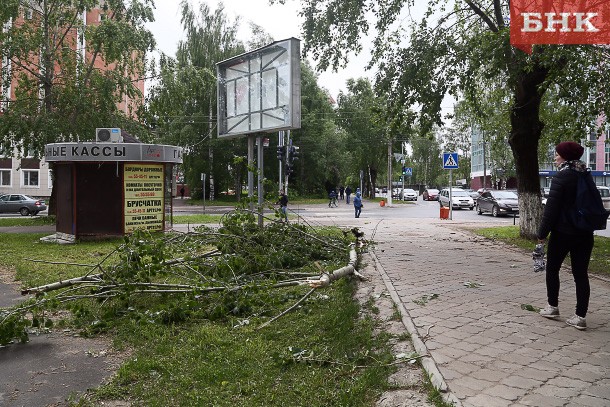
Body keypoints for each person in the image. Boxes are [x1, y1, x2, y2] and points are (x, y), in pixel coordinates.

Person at [537, 141, 593, 330]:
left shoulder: (562, 177)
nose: (555, 157)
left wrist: (542, 233)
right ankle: (580, 316)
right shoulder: (585, 174)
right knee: (581, 274)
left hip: (563, 233)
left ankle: (552, 306)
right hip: (585, 233)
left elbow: (551, 210)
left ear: (566, 156)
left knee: (552, 269)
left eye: (557, 154)